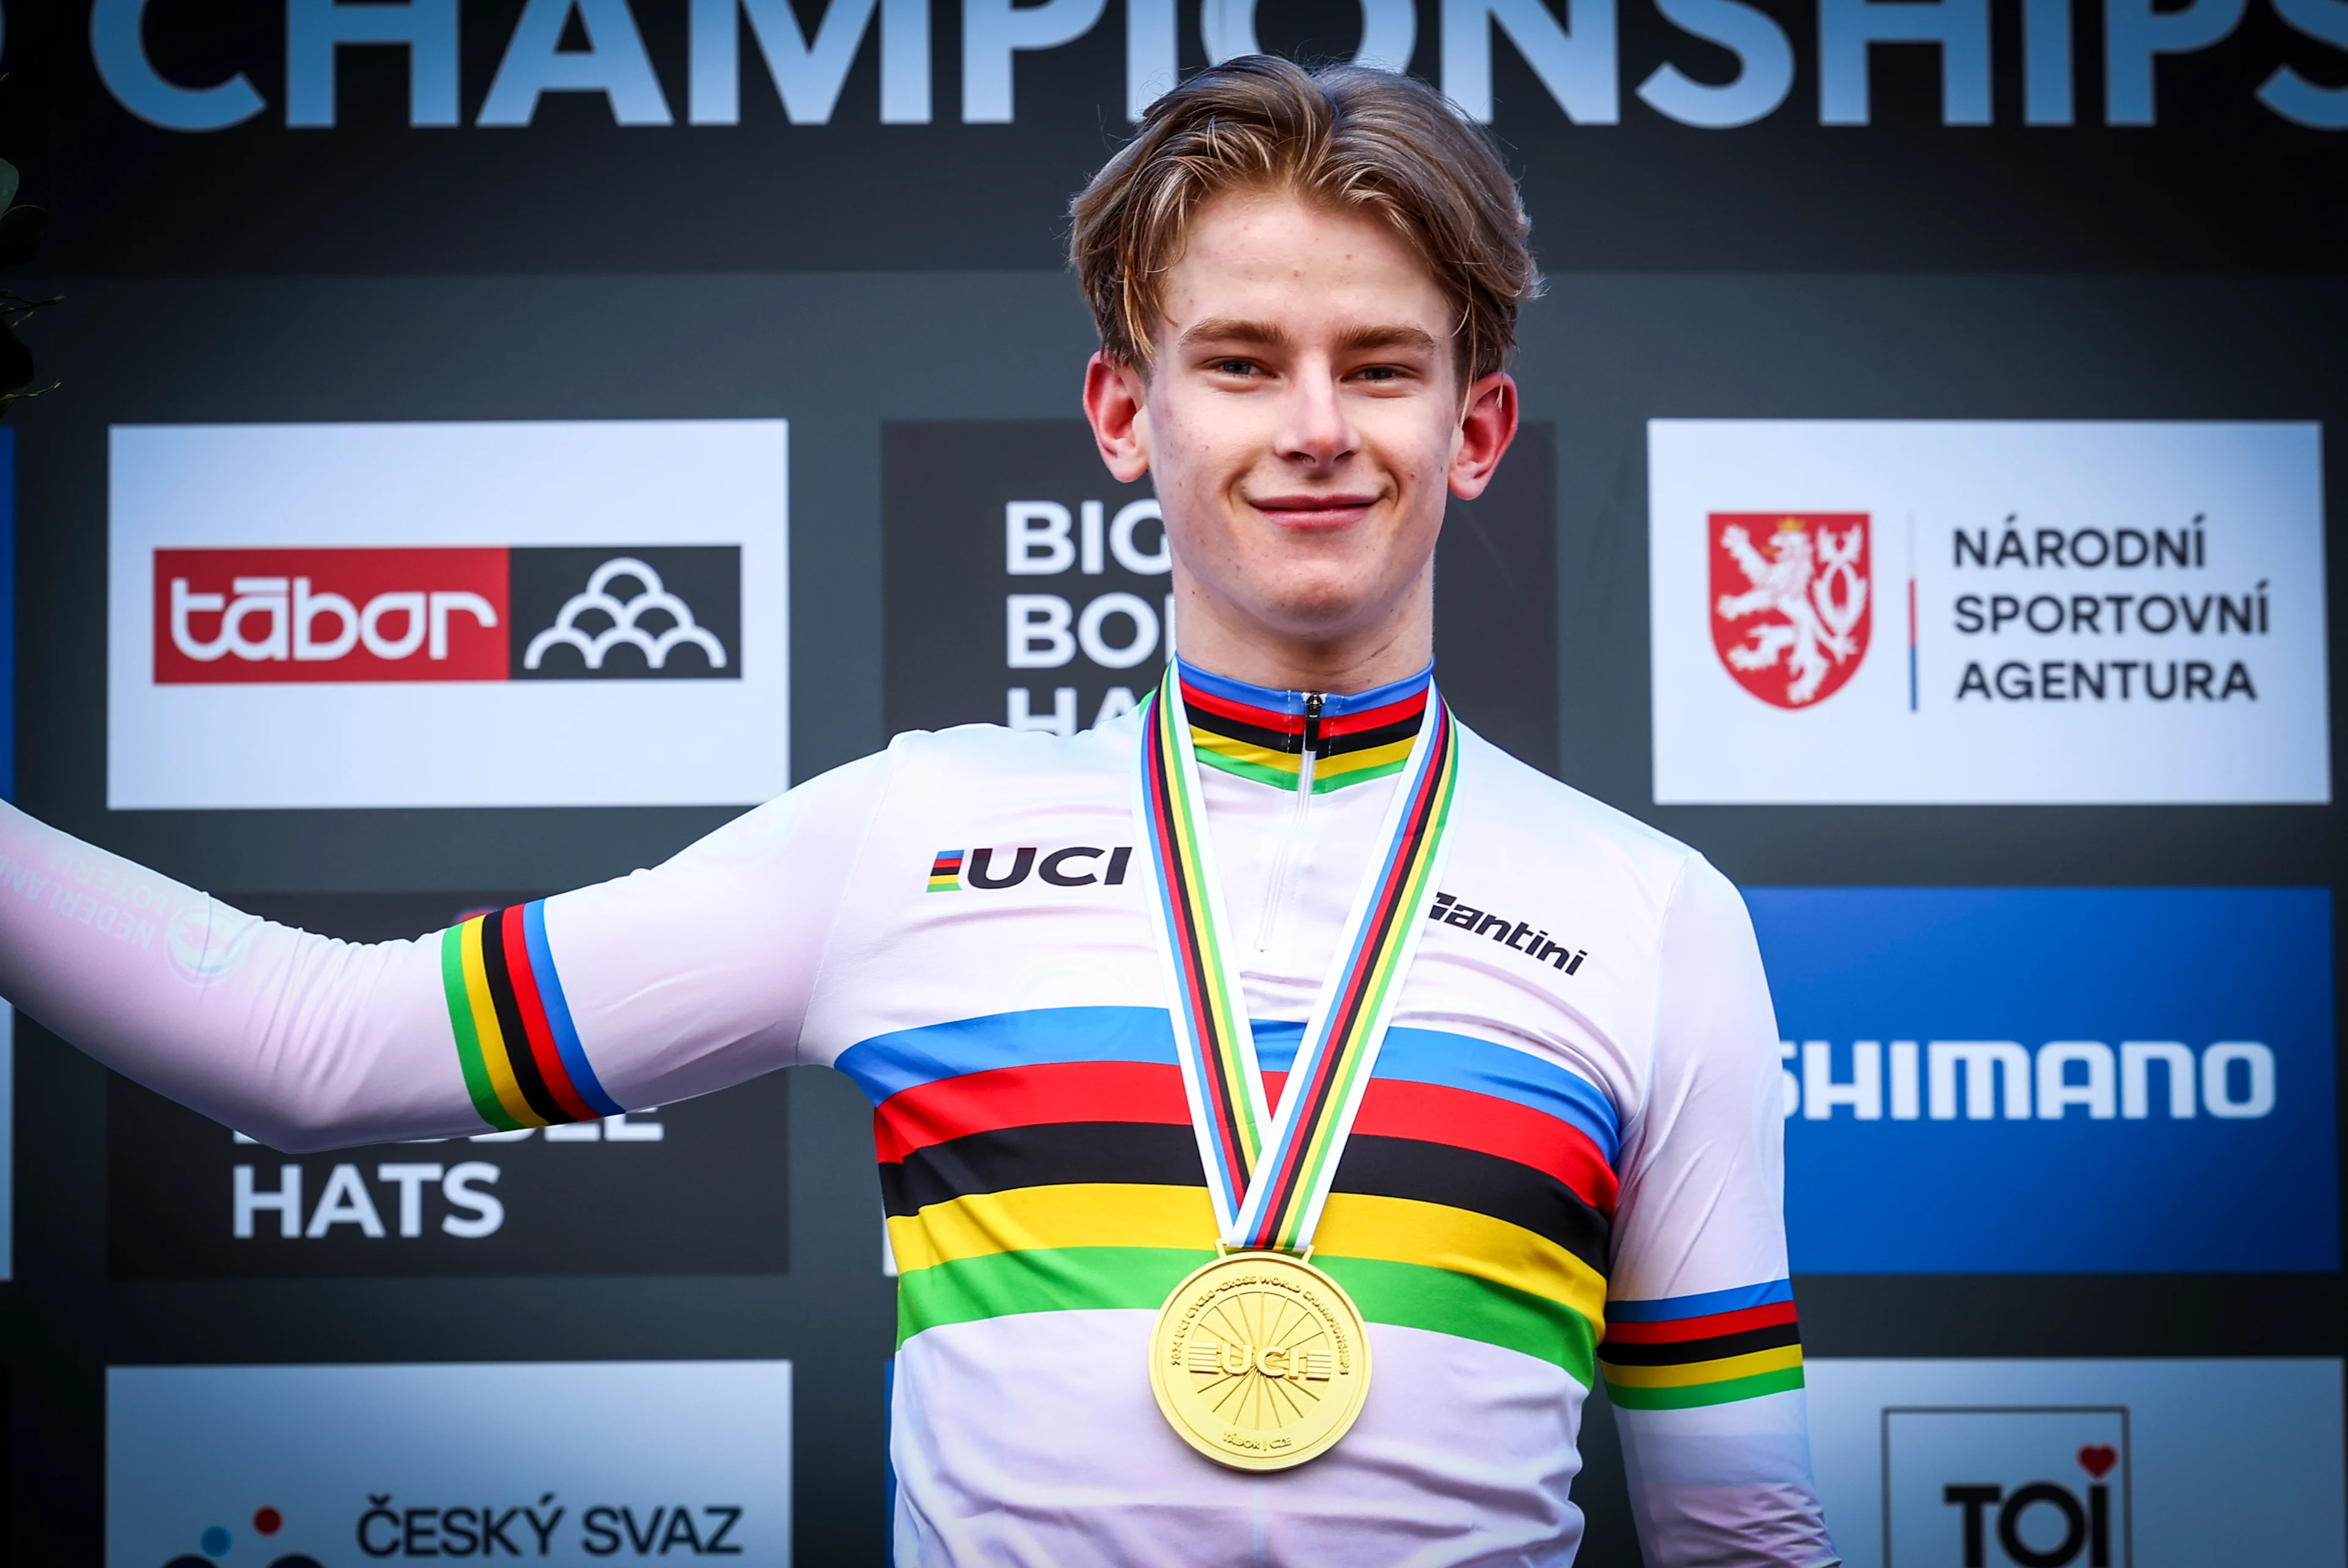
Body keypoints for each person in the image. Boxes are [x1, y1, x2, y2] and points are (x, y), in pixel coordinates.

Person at [0, 56, 1837, 1568]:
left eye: (1379, 365)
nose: (1315, 426)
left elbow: (1737, 1529)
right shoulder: (911, 836)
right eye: (1240, 360)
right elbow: (316, 1044)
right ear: (1126, 413)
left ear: (1478, 427)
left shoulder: (1649, 910)